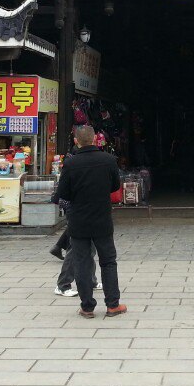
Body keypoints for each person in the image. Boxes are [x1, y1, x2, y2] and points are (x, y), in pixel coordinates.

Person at [54, 125, 127, 318]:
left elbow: (63, 193)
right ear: (95, 139)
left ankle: (87, 307)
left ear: (76, 141)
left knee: (82, 263)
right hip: (102, 219)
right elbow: (114, 186)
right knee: (108, 262)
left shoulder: (70, 164)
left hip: (78, 221)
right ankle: (113, 305)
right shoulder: (109, 160)